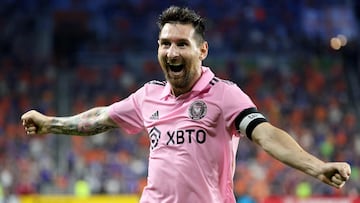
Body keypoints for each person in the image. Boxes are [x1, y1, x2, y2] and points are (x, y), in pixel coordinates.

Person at [21, 6, 351, 203]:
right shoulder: (147, 96)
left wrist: (316, 167)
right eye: (165, 44)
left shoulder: (224, 95)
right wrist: (49, 123)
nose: (172, 52)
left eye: (182, 44)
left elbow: (266, 134)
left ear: (202, 51)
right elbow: (100, 118)